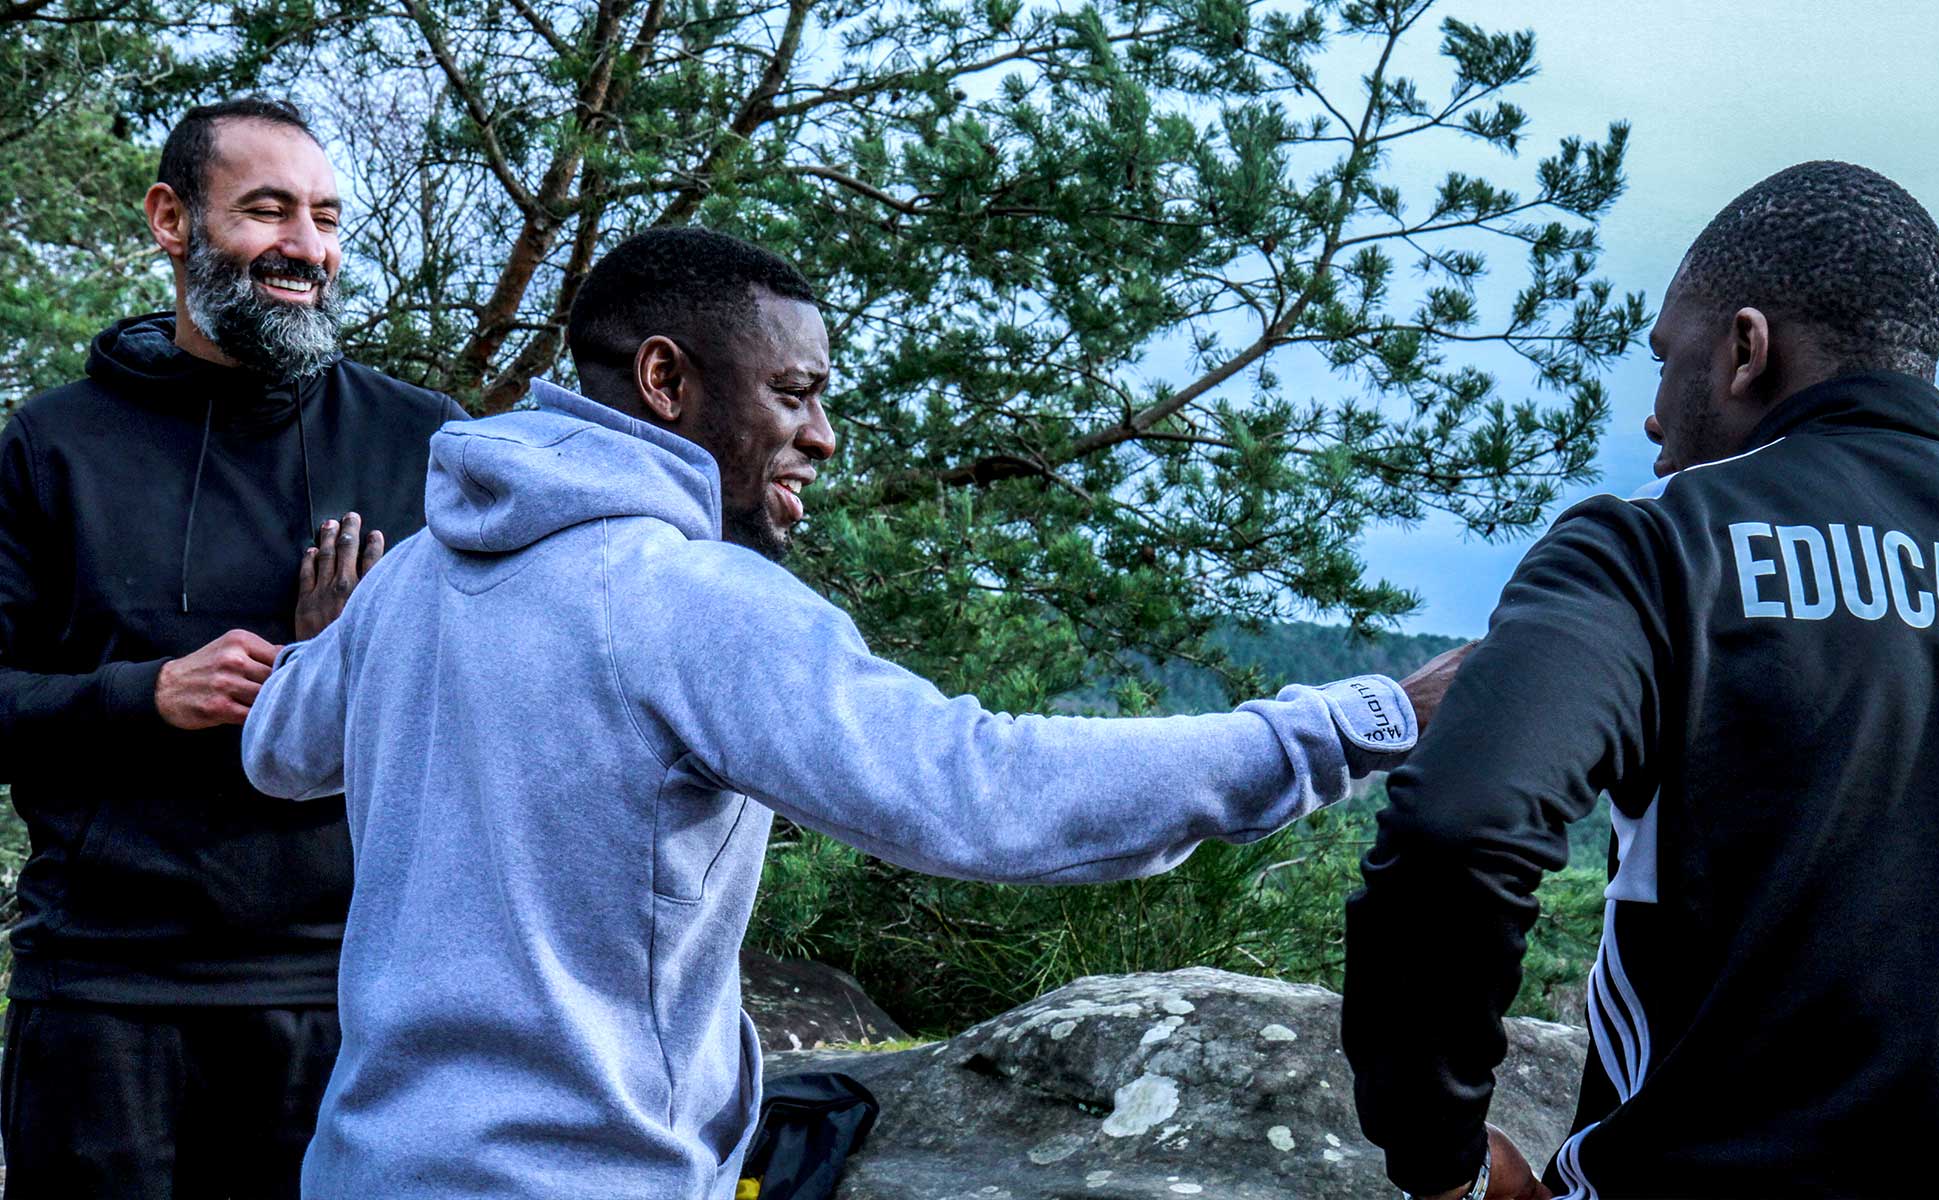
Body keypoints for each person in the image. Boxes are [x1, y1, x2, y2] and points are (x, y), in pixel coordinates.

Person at [241, 225, 1466, 1199]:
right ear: (666, 379)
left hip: (362, 1165)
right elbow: (979, 793)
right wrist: (1363, 722)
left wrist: (326, 647)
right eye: (794, 395)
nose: (820, 436)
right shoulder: (688, 598)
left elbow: (278, 753)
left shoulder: (411, 581)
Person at [1340, 159, 1939, 1200]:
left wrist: (1441, 1162)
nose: (1651, 417)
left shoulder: (1652, 547)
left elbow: (1458, 828)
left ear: (1743, 349)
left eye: (1662, 360)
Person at [0, 97, 464, 1197]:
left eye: (325, 216)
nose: (307, 247)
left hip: (346, 994)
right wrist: (144, 695)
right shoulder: (52, 444)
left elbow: (497, 710)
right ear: (172, 220)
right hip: (103, 1000)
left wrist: (350, 666)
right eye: (266, 211)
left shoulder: (427, 441)